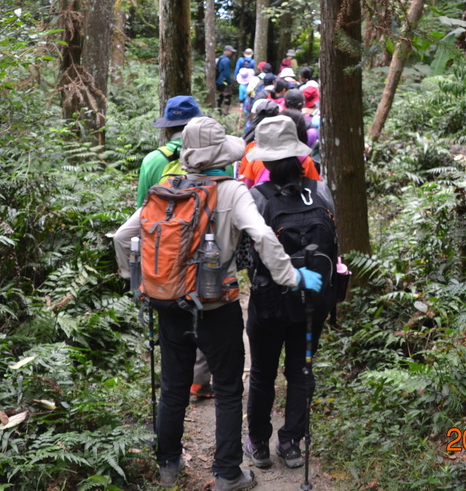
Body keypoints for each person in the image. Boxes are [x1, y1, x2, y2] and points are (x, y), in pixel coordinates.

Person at [114, 116, 323, 491]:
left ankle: (168, 465)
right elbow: (261, 235)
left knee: (174, 385)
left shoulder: (166, 188)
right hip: (216, 307)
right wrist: (292, 277)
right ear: (220, 155)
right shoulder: (231, 191)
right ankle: (228, 473)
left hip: (167, 303)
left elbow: (124, 237)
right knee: (228, 388)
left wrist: (142, 283)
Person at [242, 115, 336, 471]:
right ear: (299, 156)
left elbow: (244, 253)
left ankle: (259, 444)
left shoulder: (257, 198)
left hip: (268, 303)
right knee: (301, 371)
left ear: (263, 160)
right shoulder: (321, 190)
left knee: (263, 373)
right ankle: (292, 443)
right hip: (313, 301)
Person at [134, 96, 216, 400]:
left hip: (163, 256)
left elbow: (142, 213)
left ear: (169, 127)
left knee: (171, 316)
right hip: (205, 253)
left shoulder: (153, 161)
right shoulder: (214, 156)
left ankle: (174, 386)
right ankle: (200, 379)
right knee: (205, 311)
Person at [216, 45, 236, 114]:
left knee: (220, 95)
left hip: (218, 80)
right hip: (224, 81)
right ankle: (226, 112)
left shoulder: (220, 58)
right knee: (228, 95)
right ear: (227, 51)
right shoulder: (226, 60)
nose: (232, 54)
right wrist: (230, 83)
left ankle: (218, 110)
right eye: (231, 52)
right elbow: (226, 73)